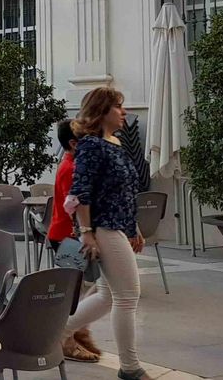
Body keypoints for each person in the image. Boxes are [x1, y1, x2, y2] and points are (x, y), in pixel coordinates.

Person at [62, 87, 148, 380]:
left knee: (108, 296)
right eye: (118, 107)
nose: (124, 112)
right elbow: (81, 193)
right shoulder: (91, 146)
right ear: (101, 112)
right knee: (127, 296)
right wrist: (87, 233)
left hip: (117, 226)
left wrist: (133, 227)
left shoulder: (115, 143)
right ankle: (130, 367)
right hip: (102, 229)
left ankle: (61, 331)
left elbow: (122, 193)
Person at [46, 119, 101, 363]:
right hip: (68, 236)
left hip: (68, 234)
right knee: (74, 292)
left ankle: (79, 332)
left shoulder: (72, 164)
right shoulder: (70, 168)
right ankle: (69, 339)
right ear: (73, 143)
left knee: (86, 288)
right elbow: (75, 206)